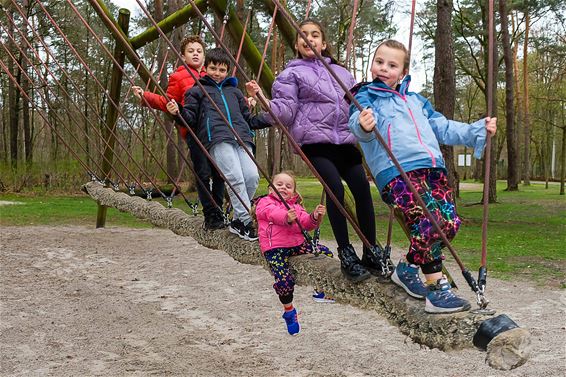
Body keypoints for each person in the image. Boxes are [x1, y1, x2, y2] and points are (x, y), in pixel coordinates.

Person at [348, 39, 497, 313]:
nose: (383, 68)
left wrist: (477, 129)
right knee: (430, 222)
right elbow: (357, 124)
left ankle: (406, 268)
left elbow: (443, 127)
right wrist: (363, 125)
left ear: (403, 73)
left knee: (449, 224)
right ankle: (436, 290)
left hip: (432, 168)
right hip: (396, 170)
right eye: (379, 62)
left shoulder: (416, 101)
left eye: (392, 65)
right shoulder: (365, 96)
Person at [246, 19, 384, 283]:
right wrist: (263, 103)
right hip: (314, 143)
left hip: (344, 141)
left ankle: (370, 251)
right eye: (303, 36)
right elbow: (285, 111)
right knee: (334, 188)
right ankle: (346, 253)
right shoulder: (291, 74)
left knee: (363, 189)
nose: (309, 39)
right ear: (297, 43)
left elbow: (357, 104)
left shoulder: (342, 74)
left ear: (324, 42)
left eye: (315, 35)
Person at [169, 48, 270, 241]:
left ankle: (239, 219)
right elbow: (189, 117)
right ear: (205, 68)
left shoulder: (235, 92)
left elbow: (248, 118)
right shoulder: (197, 91)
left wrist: (270, 118)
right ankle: (245, 221)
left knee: (251, 177)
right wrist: (178, 111)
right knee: (235, 179)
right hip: (216, 138)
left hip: (241, 137)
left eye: (222, 70)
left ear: (228, 72)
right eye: (213, 68)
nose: (217, 73)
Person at [132, 35, 225, 231]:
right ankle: (210, 214)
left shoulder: (212, 75)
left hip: (215, 130)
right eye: (191, 51)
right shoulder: (178, 76)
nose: (196, 54)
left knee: (219, 172)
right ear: (183, 56)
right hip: (193, 130)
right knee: (203, 172)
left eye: (199, 51)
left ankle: (219, 210)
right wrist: (145, 96)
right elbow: (168, 102)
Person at [254, 171, 334, 335]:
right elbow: (270, 213)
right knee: (284, 281)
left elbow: (305, 223)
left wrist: (314, 216)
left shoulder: (296, 206)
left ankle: (319, 290)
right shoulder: (265, 202)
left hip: (296, 244)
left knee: (325, 253)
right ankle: (289, 311)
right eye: (279, 184)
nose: (283, 187)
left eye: (288, 186)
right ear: (271, 189)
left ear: (294, 192)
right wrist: (286, 216)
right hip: (274, 247)